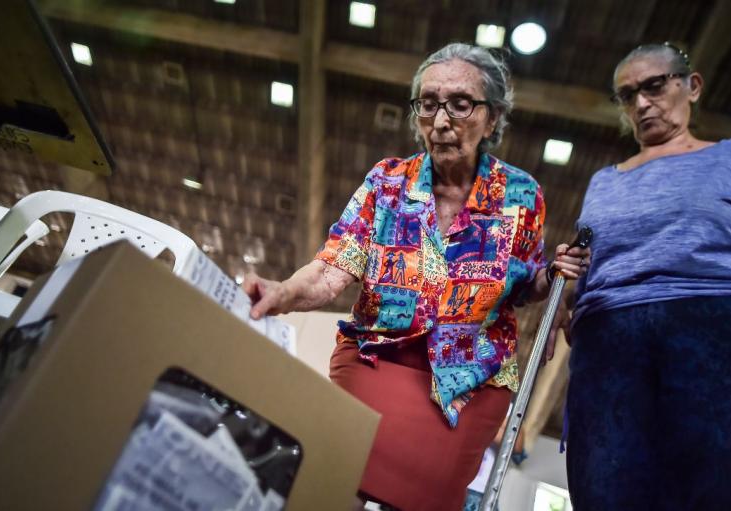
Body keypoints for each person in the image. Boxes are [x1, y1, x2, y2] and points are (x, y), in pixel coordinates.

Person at [243, 42, 588, 511]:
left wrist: (554, 273)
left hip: (470, 380)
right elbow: (331, 270)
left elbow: (526, 285)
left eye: (460, 104)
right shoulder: (387, 181)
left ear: (492, 118)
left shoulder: (521, 194)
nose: (441, 120)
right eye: (428, 104)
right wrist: (281, 291)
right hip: (376, 358)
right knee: (327, 485)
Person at [563, 42, 731, 510]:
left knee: (713, 480)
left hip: (709, 328)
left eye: (654, 86)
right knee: (605, 482)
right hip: (607, 342)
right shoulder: (605, 180)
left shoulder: (726, 160)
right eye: (627, 94)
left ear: (691, 86)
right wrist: (571, 291)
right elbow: (592, 258)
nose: (641, 103)